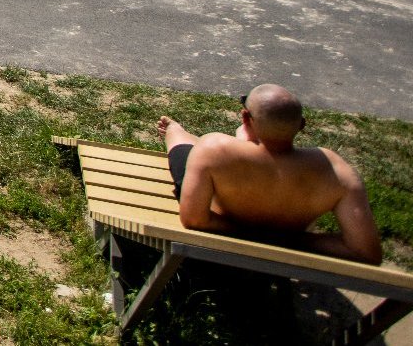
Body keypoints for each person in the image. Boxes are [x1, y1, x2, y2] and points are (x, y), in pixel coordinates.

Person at [156, 85, 380, 264]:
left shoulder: (212, 148)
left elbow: (193, 219)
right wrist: (285, 238)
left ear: (245, 117)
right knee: (214, 150)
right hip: (289, 234)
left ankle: (177, 131)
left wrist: (252, 232)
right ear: (301, 125)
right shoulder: (336, 171)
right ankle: (243, 143)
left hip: (223, 222)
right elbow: (365, 251)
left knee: (185, 149)